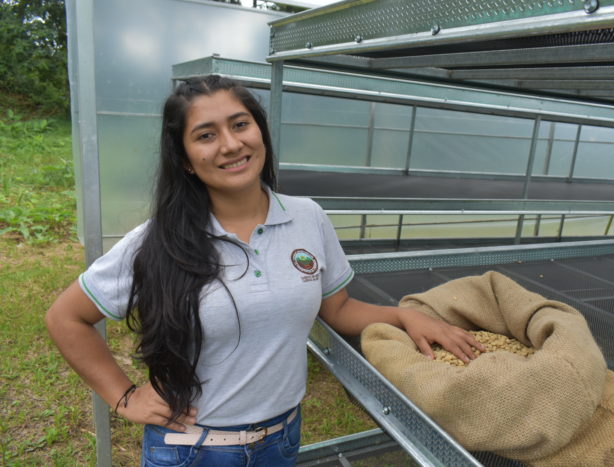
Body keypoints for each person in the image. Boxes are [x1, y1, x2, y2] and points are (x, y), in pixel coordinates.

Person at [45, 75, 484, 466]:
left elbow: (338, 309)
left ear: (260, 131)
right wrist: (123, 397)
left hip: (281, 439)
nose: (231, 144)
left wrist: (404, 315)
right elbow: (66, 318)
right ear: (183, 158)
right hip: (192, 450)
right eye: (205, 135)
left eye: (240, 124)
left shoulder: (308, 217)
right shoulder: (157, 239)